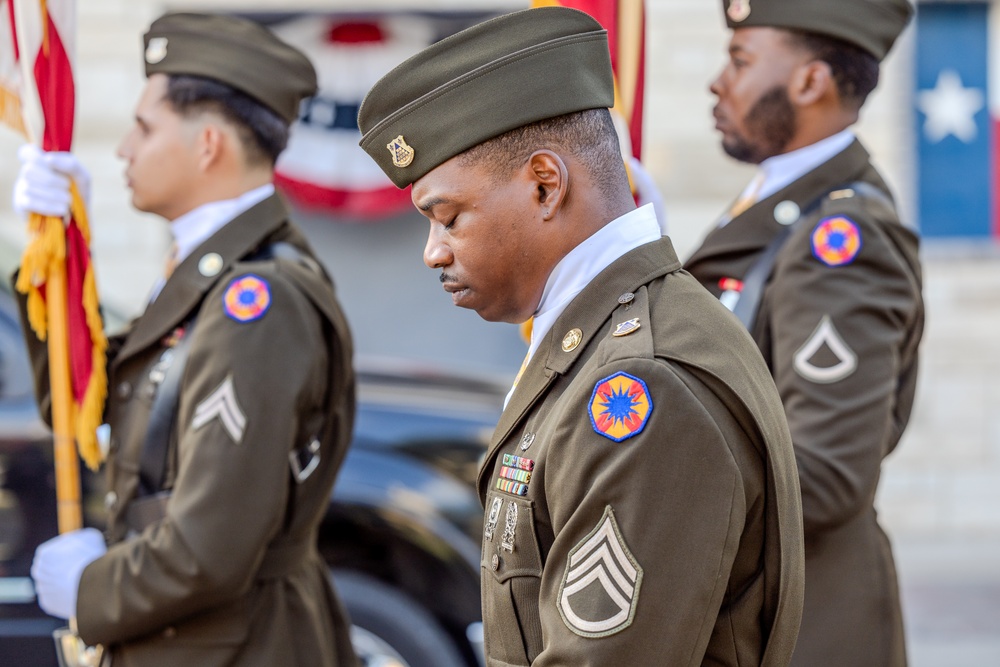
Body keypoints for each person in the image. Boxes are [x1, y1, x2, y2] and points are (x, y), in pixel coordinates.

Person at [357, 7, 804, 666]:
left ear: (545, 184)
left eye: (448, 217)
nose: (433, 251)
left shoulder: (644, 383)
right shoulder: (603, 337)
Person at [14, 12, 358, 666]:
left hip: (232, 646)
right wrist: (57, 257)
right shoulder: (206, 276)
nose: (123, 150)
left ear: (207, 146)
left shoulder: (257, 302)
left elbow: (210, 546)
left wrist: (94, 589)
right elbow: (89, 404)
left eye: (143, 128)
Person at [683, 2, 923, 665]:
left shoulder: (837, 240)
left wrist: (662, 498)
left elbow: (825, 475)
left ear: (811, 82)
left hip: (805, 625)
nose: (717, 82)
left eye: (740, 59)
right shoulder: (778, 207)